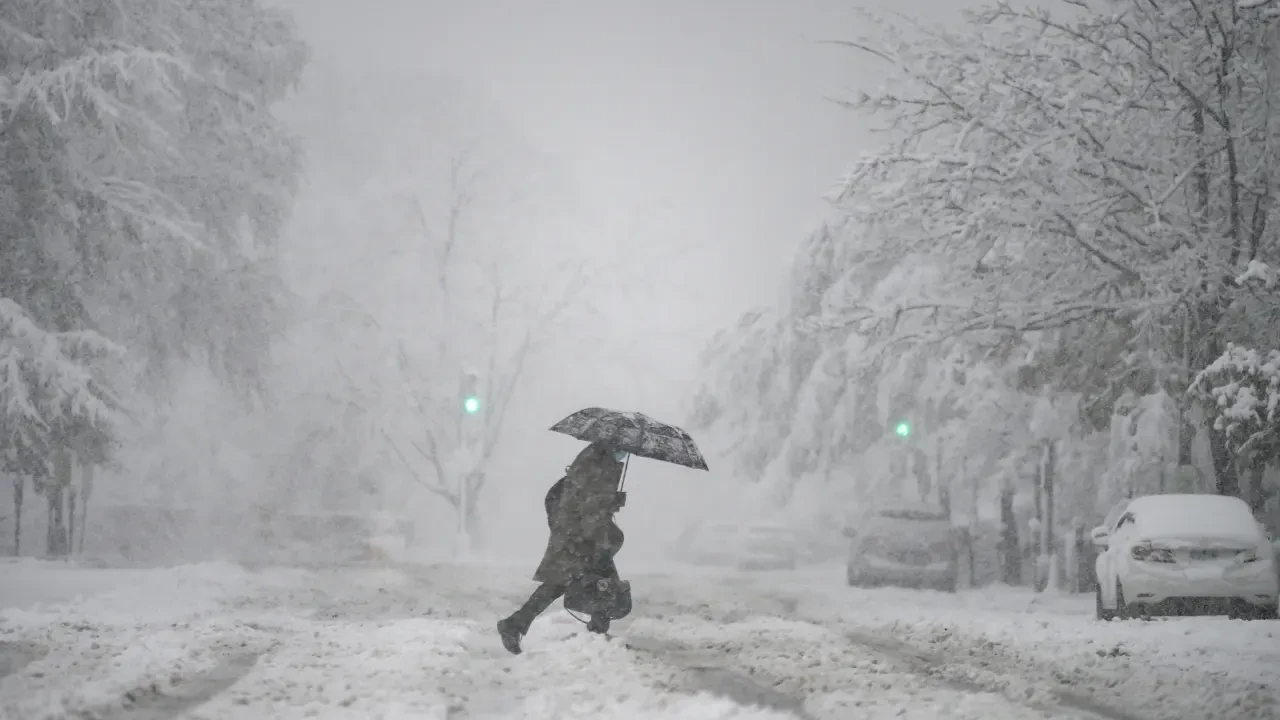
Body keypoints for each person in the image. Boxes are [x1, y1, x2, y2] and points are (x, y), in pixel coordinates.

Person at [497, 442, 627, 655]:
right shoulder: (594, 463)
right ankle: (597, 635)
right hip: (579, 536)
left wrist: (611, 502)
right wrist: (611, 502)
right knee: (591, 581)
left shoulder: (598, 461)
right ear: (614, 445)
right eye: (624, 448)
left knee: (588, 582)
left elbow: (589, 501)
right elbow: (586, 503)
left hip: (582, 535)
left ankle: (596, 633)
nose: (625, 453)